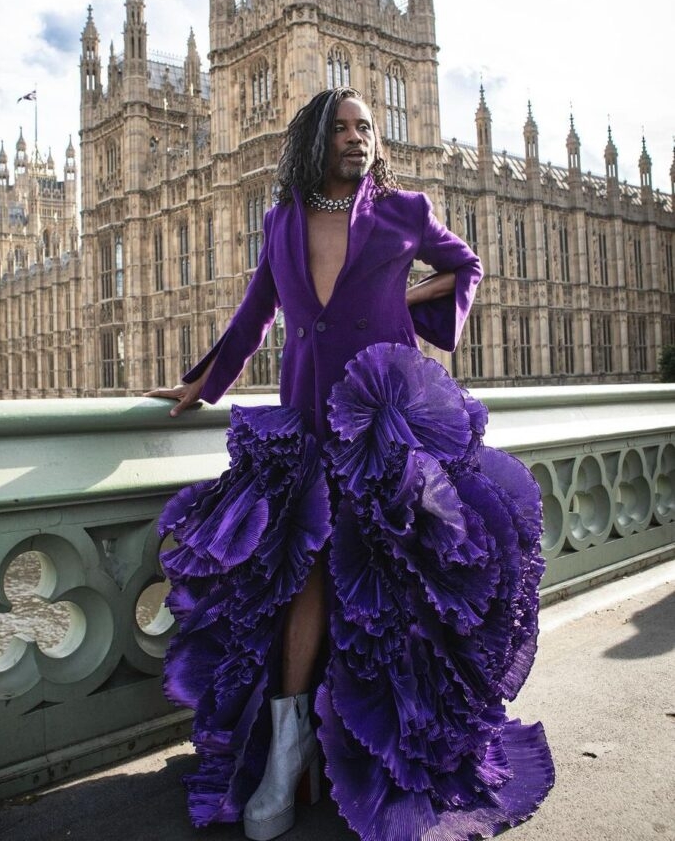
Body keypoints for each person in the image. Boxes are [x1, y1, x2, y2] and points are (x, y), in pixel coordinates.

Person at [146, 86, 554, 841]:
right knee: (302, 573)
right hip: (304, 414)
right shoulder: (283, 221)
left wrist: (411, 300)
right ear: (314, 140)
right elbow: (254, 314)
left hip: (384, 418)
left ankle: (387, 750)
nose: (358, 137)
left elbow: (467, 268)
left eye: (367, 126)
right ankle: (289, 749)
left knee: (393, 585)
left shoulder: (406, 212)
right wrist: (207, 379)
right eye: (342, 127)